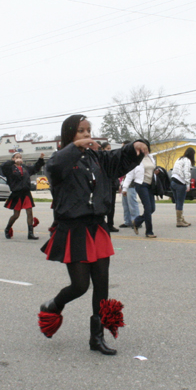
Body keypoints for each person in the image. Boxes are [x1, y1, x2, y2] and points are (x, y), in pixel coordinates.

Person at [38, 115, 146, 355]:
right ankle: (53, 305)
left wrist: (134, 146)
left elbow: (117, 158)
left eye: (88, 130)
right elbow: (54, 169)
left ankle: (96, 338)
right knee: (79, 285)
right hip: (73, 229)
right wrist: (73, 148)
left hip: (96, 227)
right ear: (69, 135)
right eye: (80, 131)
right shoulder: (60, 159)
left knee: (102, 285)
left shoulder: (97, 157)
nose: (87, 135)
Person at [2, 152, 46, 240]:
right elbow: (3, 166)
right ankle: (7, 229)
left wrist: (40, 159)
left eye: (20, 157)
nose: (19, 158)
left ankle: (30, 233)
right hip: (17, 193)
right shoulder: (10, 168)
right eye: (16, 157)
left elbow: (35, 168)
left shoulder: (25, 168)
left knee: (29, 212)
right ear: (13, 159)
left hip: (26, 193)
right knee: (16, 215)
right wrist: (12, 162)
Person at [131, 148, 157, 238]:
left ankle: (137, 221)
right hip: (141, 184)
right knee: (148, 207)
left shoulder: (151, 157)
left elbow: (151, 170)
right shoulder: (137, 159)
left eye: (147, 149)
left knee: (152, 208)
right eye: (144, 149)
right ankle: (149, 231)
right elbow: (131, 173)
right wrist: (125, 187)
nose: (146, 151)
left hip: (150, 185)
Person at [170, 147, 194, 227]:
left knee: (177, 202)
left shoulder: (179, 159)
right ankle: (179, 221)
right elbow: (186, 172)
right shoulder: (187, 160)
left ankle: (181, 219)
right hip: (180, 182)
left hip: (173, 181)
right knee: (180, 202)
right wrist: (188, 184)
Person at [100, 143, 121, 232]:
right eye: (107, 148)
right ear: (102, 149)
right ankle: (101, 224)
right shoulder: (100, 159)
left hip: (112, 186)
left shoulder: (111, 160)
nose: (109, 150)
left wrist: (118, 184)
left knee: (112, 206)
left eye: (110, 148)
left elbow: (115, 172)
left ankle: (110, 224)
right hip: (103, 186)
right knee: (104, 205)